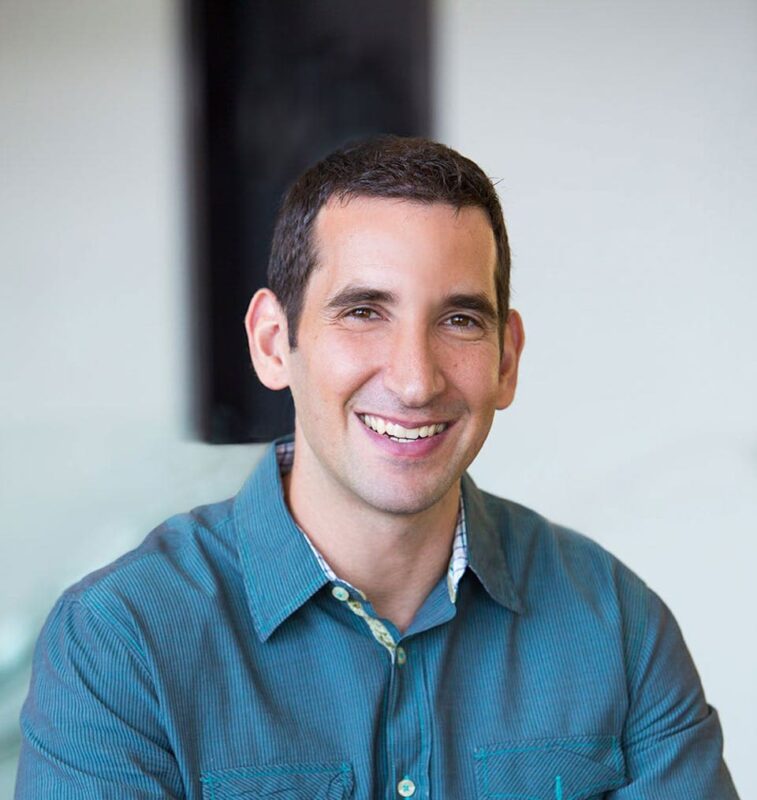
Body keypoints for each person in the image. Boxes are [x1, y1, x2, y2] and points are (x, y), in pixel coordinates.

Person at [15, 136, 739, 799]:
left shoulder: (616, 627)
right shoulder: (121, 642)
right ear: (274, 342)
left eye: (459, 320)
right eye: (364, 311)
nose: (416, 379)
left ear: (506, 359)